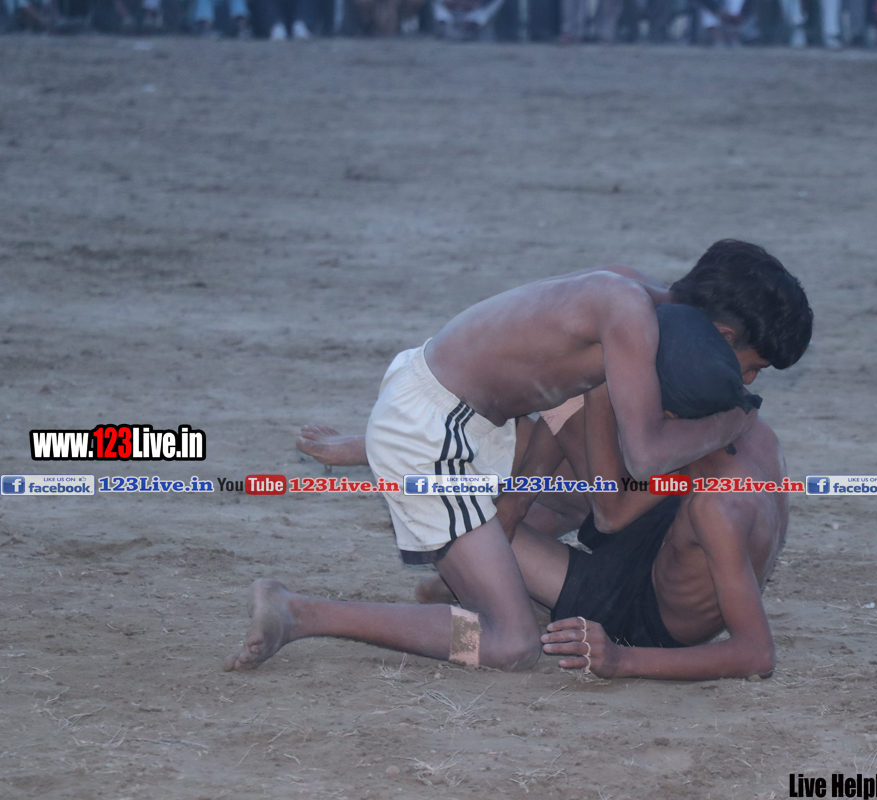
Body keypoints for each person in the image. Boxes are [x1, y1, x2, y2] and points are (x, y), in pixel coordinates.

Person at [225, 240, 812, 675]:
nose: (748, 384)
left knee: (571, 490)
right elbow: (643, 456)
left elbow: (552, 396)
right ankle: (303, 613)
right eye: (752, 368)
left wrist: (509, 512)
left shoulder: (634, 292)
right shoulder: (629, 318)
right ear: (723, 335)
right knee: (508, 643)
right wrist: (730, 420)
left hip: (464, 412)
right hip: (431, 436)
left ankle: (413, 491)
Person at [425, 304, 788, 679]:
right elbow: (573, 411)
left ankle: (451, 598)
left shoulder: (719, 506)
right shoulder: (732, 428)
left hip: (637, 613)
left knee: (448, 512)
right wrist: (517, 501)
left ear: (668, 416)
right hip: (651, 546)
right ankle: (472, 581)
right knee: (573, 395)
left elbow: (757, 654)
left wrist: (622, 659)